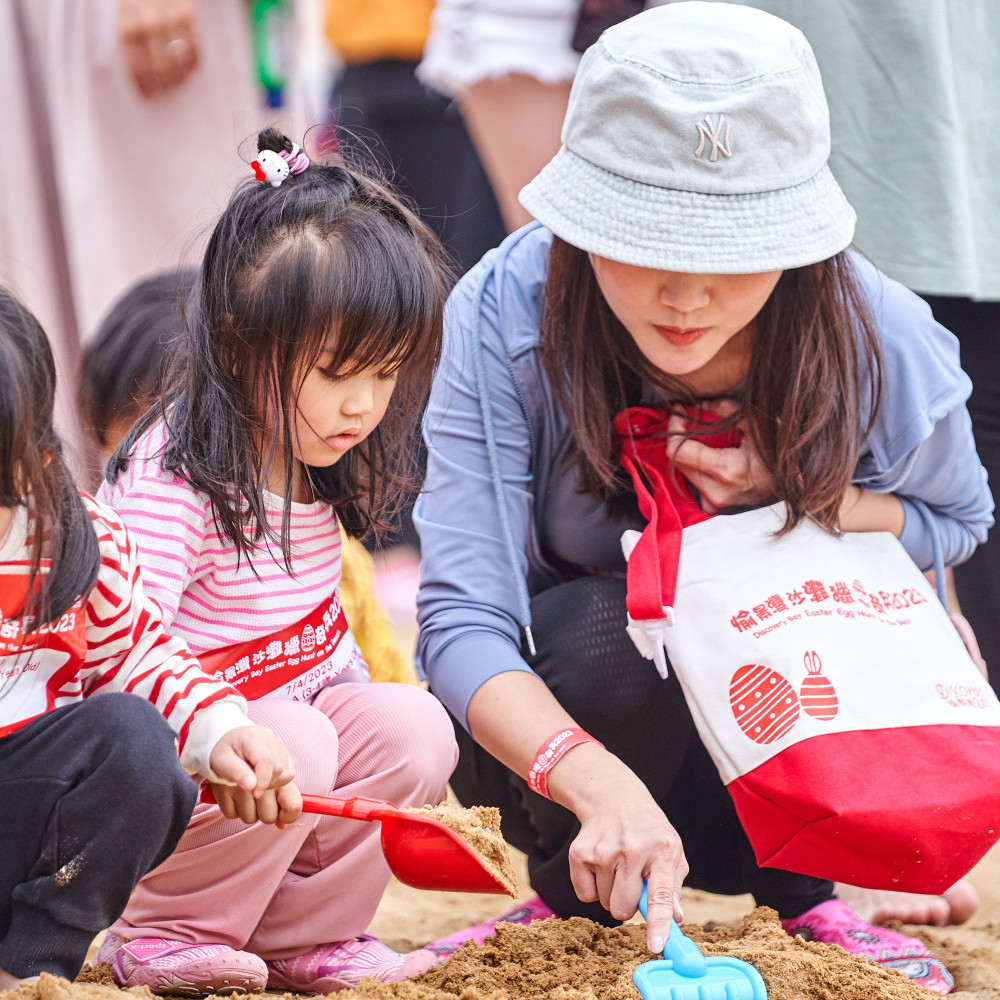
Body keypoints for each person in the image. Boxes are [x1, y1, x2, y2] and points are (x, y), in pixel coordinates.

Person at [414, 5, 993, 994]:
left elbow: (957, 521)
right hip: (584, 748)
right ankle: (573, 891)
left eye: (729, 250)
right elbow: (461, 616)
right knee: (604, 628)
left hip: (797, 739)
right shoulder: (505, 311)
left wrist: (810, 498)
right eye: (643, 239)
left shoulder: (877, 334)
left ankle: (812, 895)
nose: (685, 294)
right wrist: (593, 780)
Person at [95, 127, 458, 995]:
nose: (365, 406)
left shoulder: (304, 450)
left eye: (387, 373)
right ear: (240, 336)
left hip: (282, 738)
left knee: (414, 726)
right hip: (174, 758)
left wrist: (369, 720)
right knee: (296, 738)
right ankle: (164, 928)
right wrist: (221, 728)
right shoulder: (174, 475)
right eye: (338, 372)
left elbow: (312, 628)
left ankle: (307, 936)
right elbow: (118, 644)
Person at [0, 287, 300, 990]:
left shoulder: (80, 542)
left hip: (16, 807)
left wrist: (219, 729)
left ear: (37, 468)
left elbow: (140, 655)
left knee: (134, 742)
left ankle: (29, 969)